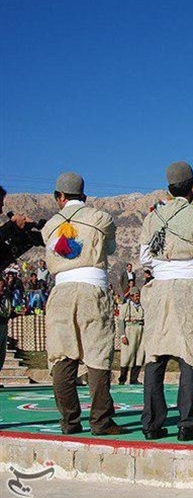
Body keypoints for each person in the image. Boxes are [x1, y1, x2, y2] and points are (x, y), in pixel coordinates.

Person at [139, 161, 193, 441]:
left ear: (168, 189)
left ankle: (151, 424)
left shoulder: (153, 216)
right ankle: (187, 424)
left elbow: (145, 257)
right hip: (189, 288)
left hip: (159, 289)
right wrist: (192, 263)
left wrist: (166, 266)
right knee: (189, 354)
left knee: (155, 355)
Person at [42, 172, 123, 435]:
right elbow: (109, 249)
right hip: (92, 289)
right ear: (84, 196)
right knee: (97, 355)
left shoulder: (50, 226)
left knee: (62, 356)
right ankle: (101, 421)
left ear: (59, 197)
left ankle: (69, 422)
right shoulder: (101, 219)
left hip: (61, 291)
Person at [118, 287, 145, 385]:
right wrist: (122, 335)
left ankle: (134, 378)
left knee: (140, 354)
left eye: (138, 296)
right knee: (127, 355)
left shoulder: (143, 306)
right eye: (136, 296)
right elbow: (121, 321)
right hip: (130, 330)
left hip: (141, 330)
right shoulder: (126, 307)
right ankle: (122, 379)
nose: (137, 298)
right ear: (131, 296)